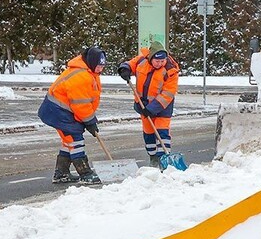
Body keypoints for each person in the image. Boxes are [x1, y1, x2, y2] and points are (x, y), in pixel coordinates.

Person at [38, 46, 106, 185]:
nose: (100, 69)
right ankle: (85, 173)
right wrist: (90, 121)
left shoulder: (90, 73)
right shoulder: (81, 77)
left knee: (68, 140)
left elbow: (86, 101)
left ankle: (61, 173)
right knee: (75, 139)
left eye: (102, 66)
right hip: (57, 112)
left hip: (64, 111)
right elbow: (80, 104)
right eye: (99, 66)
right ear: (92, 63)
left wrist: (89, 119)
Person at [118, 43, 179, 168]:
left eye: (162, 60)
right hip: (143, 105)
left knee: (162, 132)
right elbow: (130, 64)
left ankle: (164, 159)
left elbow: (168, 93)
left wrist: (152, 108)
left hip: (162, 107)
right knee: (149, 133)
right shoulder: (142, 61)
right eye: (157, 61)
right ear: (150, 58)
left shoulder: (170, 70)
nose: (160, 63)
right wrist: (125, 69)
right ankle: (153, 158)